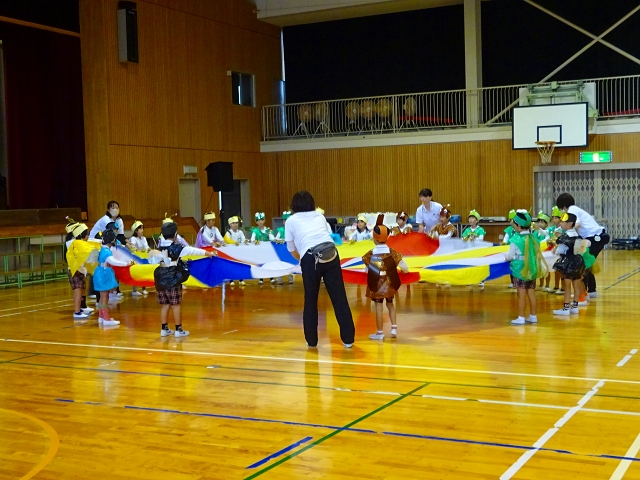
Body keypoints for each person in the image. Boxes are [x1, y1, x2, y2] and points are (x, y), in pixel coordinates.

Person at [284, 191, 355, 348]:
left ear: (294, 205)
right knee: (339, 298)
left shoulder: (291, 221)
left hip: (310, 258)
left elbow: (291, 248)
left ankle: (312, 341)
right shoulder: (319, 216)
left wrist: (303, 259)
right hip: (331, 253)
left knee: (310, 299)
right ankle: (348, 339)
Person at [156, 221, 216, 337]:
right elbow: (193, 250)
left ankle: (164, 329)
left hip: (160, 278)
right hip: (173, 278)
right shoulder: (178, 247)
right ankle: (179, 330)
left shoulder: (159, 247)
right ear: (175, 234)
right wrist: (209, 254)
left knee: (165, 305)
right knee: (176, 305)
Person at [363, 215, 409, 340]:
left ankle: (379, 333)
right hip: (390, 283)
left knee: (378, 307)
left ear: (374, 238)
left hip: (376, 284)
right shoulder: (392, 252)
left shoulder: (371, 255)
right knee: (390, 304)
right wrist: (406, 271)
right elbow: (404, 266)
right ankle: (394, 328)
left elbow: (367, 270)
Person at [556, 193, 609, 299]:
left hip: (594, 238)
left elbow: (577, 224)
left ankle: (582, 294)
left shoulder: (572, 210)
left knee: (581, 264)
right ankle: (589, 291)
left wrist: (564, 230)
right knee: (586, 264)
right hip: (593, 237)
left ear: (563, 206)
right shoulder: (575, 209)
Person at [504, 211, 547, 325]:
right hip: (531, 269)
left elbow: (509, 256)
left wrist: (505, 258)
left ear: (518, 226)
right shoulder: (533, 238)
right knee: (531, 293)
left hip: (519, 270)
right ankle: (533, 316)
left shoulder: (515, 240)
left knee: (521, 295)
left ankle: (521, 317)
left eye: (514, 225)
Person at [552, 213, 592, 317]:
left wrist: (554, 250)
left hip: (568, 263)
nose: (561, 223)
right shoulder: (578, 235)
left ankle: (566, 308)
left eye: (563, 222)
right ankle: (575, 307)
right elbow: (581, 250)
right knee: (576, 284)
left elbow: (559, 250)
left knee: (567, 285)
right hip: (578, 262)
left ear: (569, 224)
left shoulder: (565, 236)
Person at [93, 229, 131, 326]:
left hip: (100, 273)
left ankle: (101, 317)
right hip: (104, 274)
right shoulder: (106, 251)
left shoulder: (102, 249)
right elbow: (113, 261)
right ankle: (106, 318)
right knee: (105, 297)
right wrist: (126, 264)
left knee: (102, 296)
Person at [67, 223, 94, 320]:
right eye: (87, 234)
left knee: (81, 291)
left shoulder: (79, 243)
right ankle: (77, 312)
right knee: (78, 292)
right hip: (76, 271)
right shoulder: (78, 244)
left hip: (81, 271)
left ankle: (80, 309)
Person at [127, 221, 150, 296]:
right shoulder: (133, 238)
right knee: (136, 273)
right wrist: (139, 251)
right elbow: (133, 248)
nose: (142, 230)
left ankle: (144, 288)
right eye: (140, 229)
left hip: (144, 257)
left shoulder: (144, 238)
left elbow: (146, 247)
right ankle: (134, 290)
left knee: (144, 273)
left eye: (142, 228)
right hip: (136, 258)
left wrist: (149, 250)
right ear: (136, 231)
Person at [223, 216, 247, 286]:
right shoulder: (228, 233)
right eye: (233, 223)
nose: (235, 224)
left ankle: (241, 280)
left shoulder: (240, 232)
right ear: (230, 224)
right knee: (231, 266)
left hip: (239, 252)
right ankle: (231, 280)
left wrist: (245, 241)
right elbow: (227, 240)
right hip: (231, 253)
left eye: (236, 223)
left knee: (240, 266)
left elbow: (243, 239)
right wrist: (234, 243)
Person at [274, 211, 294, 285]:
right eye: (284, 220)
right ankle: (279, 276)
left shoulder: (293, 230)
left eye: (287, 220)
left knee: (290, 263)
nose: (285, 222)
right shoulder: (281, 230)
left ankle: (290, 275)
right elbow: (276, 238)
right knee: (280, 263)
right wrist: (280, 240)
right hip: (282, 251)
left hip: (290, 251)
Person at [533, 212, 552, 291]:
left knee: (547, 270)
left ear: (547, 224)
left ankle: (547, 285)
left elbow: (545, 240)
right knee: (540, 269)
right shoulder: (535, 232)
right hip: (537, 254)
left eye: (542, 222)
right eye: (538, 222)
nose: (539, 224)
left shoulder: (548, 232)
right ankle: (541, 285)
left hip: (545, 254)